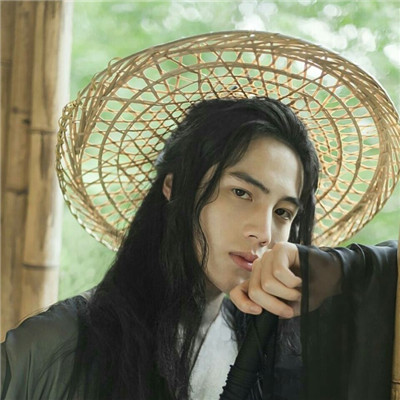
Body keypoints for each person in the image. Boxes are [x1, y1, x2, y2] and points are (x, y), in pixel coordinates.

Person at [1, 32, 399, 400]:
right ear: (174, 187)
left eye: (282, 212)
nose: (264, 232)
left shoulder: (275, 352)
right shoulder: (54, 347)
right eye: (241, 193)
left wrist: (334, 271)